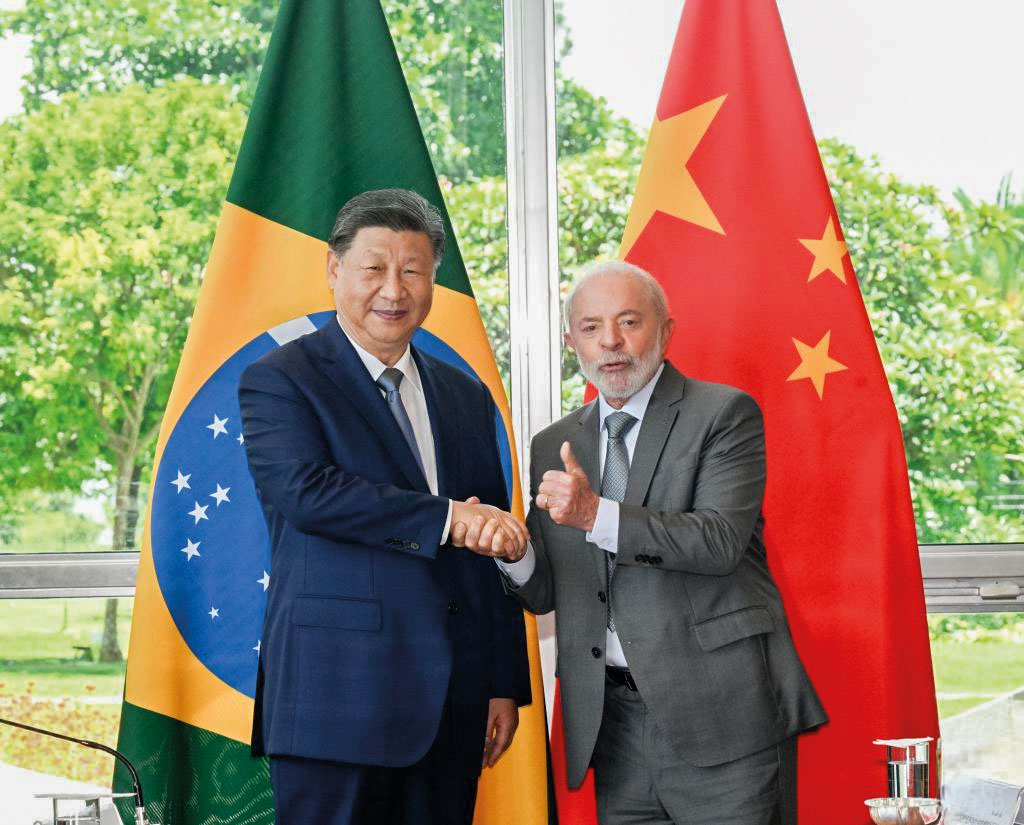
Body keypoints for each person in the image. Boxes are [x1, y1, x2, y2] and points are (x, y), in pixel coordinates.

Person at [238, 188, 532, 825]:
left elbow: (491, 546)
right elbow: (307, 493)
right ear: (335, 269)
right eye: (373, 268)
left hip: (452, 706)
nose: (393, 290)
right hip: (335, 702)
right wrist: (447, 518)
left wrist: (502, 680)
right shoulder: (281, 379)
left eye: (413, 271)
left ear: (433, 283)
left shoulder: (465, 394)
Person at [498, 261, 826, 825]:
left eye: (629, 322)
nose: (612, 343)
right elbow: (550, 589)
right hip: (613, 725)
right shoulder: (554, 443)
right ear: (570, 339)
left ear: (666, 331)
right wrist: (514, 552)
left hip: (723, 718)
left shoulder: (723, 414)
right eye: (592, 326)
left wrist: (595, 513)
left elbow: (719, 541)